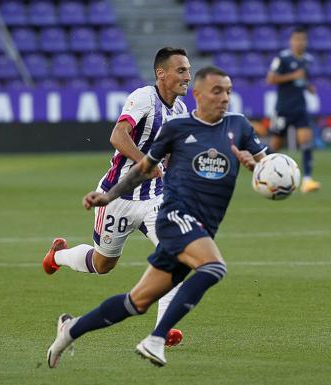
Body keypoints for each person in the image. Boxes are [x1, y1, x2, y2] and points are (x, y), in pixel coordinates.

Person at [46, 66, 267, 368]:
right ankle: (156, 337)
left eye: (228, 91)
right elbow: (129, 148)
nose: (225, 97)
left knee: (135, 302)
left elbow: (260, 164)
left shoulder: (233, 125)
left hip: (161, 203)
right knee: (203, 265)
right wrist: (108, 196)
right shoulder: (152, 106)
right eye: (217, 90)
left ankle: (71, 330)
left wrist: (257, 169)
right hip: (150, 208)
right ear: (198, 94)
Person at [41, 47, 191, 347]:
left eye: (188, 70)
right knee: (103, 264)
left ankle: (162, 330)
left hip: (154, 199)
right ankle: (56, 256)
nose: (188, 76)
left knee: (176, 254)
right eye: (181, 70)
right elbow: (118, 136)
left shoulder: (181, 112)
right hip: (116, 197)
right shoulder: (143, 98)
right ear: (161, 73)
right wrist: (143, 163)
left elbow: (173, 158)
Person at [266, 27, 321, 193]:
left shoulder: (307, 60)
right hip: (283, 108)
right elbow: (270, 79)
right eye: (297, 39)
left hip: (300, 107)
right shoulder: (282, 58)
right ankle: (266, 176)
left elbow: (303, 79)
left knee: (306, 141)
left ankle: (307, 180)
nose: (300, 43)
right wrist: (293, 76)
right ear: (291, 41)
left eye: (303, 39)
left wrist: (309, 87)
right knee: (275, 145)